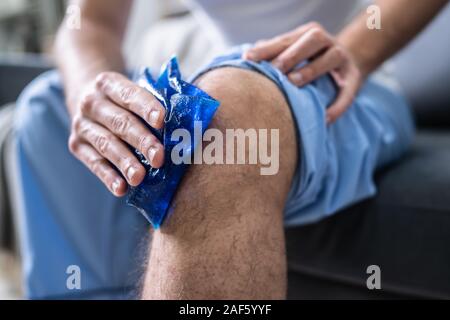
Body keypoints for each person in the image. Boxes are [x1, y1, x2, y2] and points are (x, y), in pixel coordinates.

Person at [14, 0, 447, 299]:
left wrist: (347, 52)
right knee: (47, 108)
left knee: (221, 131)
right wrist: (92, 93)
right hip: (221, 57)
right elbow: (90, 21)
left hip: (356, 73)